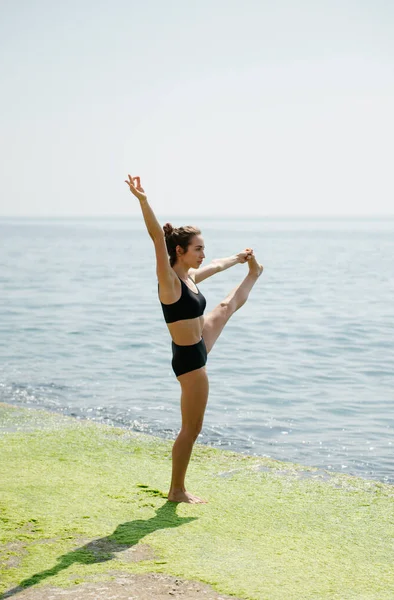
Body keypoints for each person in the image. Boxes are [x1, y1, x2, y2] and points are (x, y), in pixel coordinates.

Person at [125, 174, 263, 504]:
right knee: (192, 428)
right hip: (189, 361)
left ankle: (255, 274)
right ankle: (177, 490)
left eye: (203, 248)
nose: (203, 254)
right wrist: (144, 201)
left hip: (197, 342)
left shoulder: (188, 277)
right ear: (180, 251)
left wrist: (238, 259)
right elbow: (157, 239)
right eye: (197, 249)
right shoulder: (170, 283)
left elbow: (214, 266)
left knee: (226, 306)